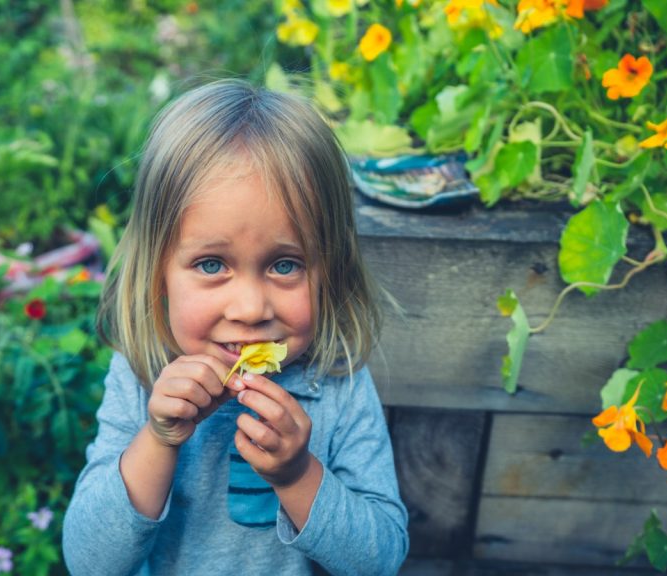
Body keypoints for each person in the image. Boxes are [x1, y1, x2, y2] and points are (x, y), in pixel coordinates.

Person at [62, 79, 409, 576]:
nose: (249, 308)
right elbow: (89, 562)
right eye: (210, 265)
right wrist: (159, 439)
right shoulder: (142, 375)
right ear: (159, 270)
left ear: (330, 269)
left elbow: (379, 560)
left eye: (285, 265)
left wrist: (297, 474)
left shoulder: (337, 382)